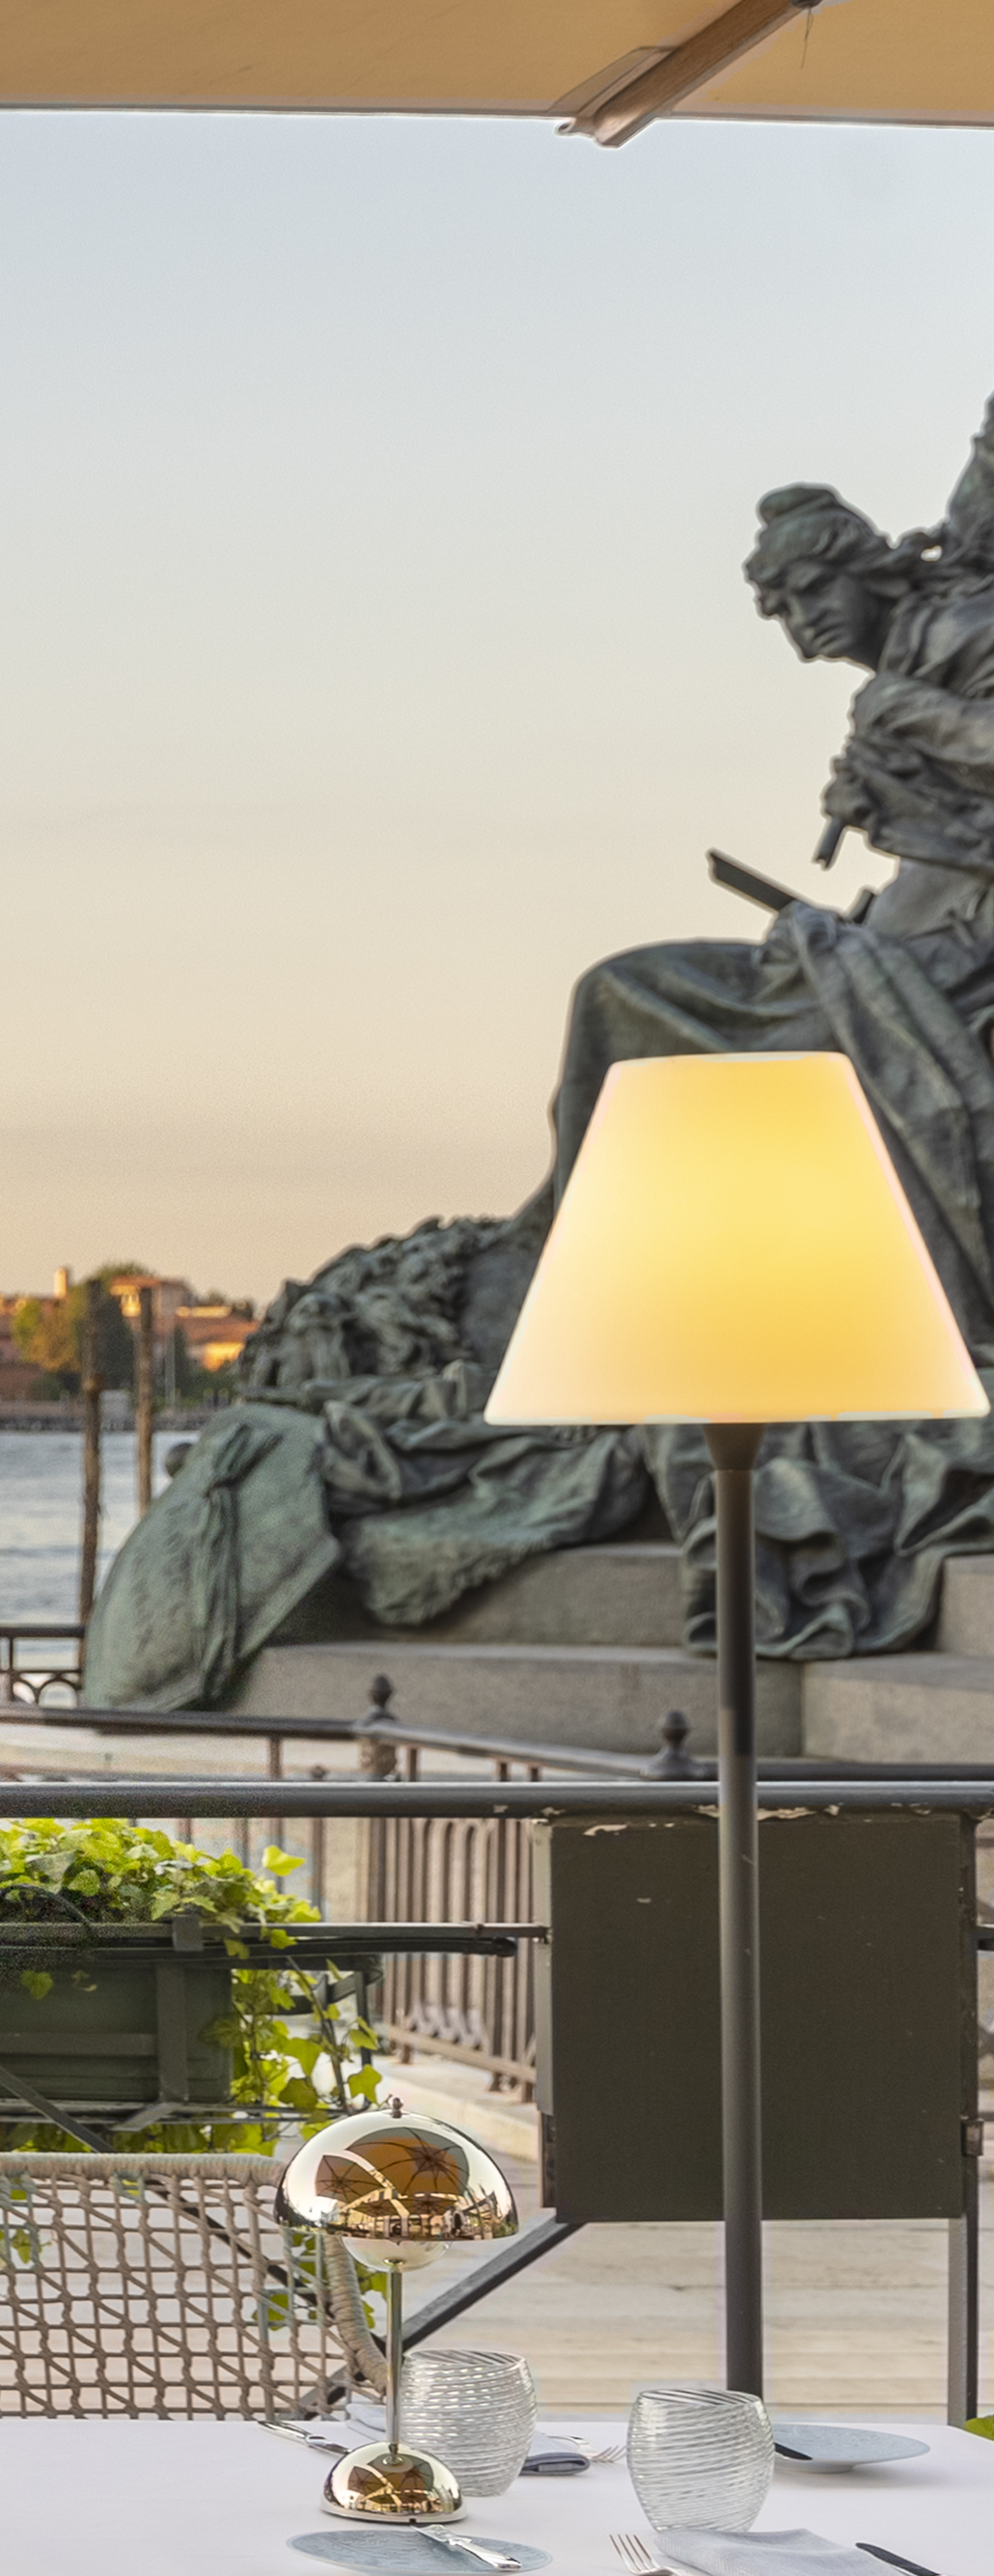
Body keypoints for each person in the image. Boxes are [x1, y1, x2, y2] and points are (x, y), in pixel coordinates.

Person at [89, 401, 994, 1707]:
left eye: (802, 599)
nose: (799, 630)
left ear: (851, 566)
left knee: (632, 999)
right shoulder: (917, 642)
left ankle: (614, 1307)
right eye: (780, 615)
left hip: (937, 967)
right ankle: (587, 1294)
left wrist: (914, 732)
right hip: (867, 949)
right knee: (617, 993)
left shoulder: (961, 625)